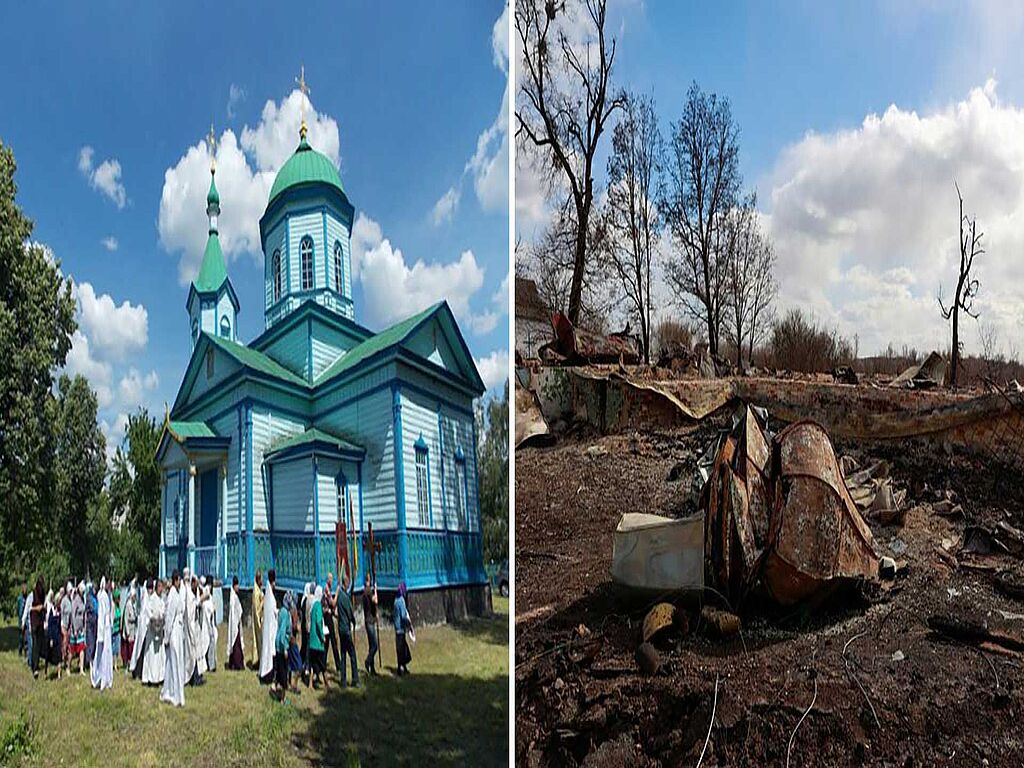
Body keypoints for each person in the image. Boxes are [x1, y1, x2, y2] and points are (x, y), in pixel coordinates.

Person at [160, 571, 185, 707]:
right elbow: (169, 618)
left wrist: (167, 636)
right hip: (174, 632)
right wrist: (167, 636)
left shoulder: (175, 595)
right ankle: (168, 691)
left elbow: (170, 617)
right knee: (171, 663)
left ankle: (177, 695)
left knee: (175, 663)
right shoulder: (173, 595)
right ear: (176, 580)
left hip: (176, 632)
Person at [90, 578, 113, 690]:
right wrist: (101, 634)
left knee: (107, 653)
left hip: (107, 627)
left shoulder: (107, 595)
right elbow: (102, 615)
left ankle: (107, 678)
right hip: (104, 628)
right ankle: (101, 679)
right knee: (102, 654)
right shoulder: (103, 596)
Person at [142, 580, 166, 685]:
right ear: (157, 587)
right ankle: (151, 678)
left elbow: (163, 611)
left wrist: (161, 618)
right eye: (160, 587)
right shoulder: (152, 599)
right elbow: (147, 611)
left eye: (162, 587)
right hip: (152, 631)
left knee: (159, 655)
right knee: (151, 654)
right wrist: (153, 619)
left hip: (159, 630)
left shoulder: (161, 600)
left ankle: (159, 677)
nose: (161, 589)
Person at [336, 575, 358, 686]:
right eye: (348, 583)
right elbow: (349, 612)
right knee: (352, 655)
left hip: (340, 629)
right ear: (345, 584)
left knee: (343, 655)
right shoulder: (345, 597)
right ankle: (355, 679)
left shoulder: (339, 596)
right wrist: (353, 621)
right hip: (346, 629)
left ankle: (343, 680)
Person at [258, 569, 278, 685]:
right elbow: (271, 611)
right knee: (269, 652)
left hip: (269, 627)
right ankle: (267, 674)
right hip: (270, 628)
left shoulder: (268, 594)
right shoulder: (269, 596)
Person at [129, 580, 152, 679]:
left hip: (145, 628)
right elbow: (146, 612)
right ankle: (137, 671)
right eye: (149, 588)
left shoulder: (147, 597)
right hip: (144, 627)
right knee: (140, 651)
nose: (150, 590)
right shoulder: (146, 598)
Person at [307, 585, 328, 690]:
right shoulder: (318, 606)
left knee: (312, 663)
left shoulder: (313, 605)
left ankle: (310, 684)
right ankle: (326, 684)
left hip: (312, 639)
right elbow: (319, 622)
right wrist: (322, 636)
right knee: (322, 663)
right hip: (318, 641)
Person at [272, 590, 292, 701]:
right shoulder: (285, 614)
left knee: (280, 669)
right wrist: (284, 648)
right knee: (284, 671)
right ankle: (283, 699)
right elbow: (283, 631)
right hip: (282, 645)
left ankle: (275, 687)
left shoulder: (282, 611)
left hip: (278, 643)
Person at [322, 573, 342, 673]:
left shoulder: (328, 589)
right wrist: (337, 593)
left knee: (329, 641)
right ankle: (338, 665)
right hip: (327, 617)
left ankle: (324, 663)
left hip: (329, 615)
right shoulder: (326, 589)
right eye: (330, 578)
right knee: (333, 640)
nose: (331, 580)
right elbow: (333, 603)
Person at [393, 581, 413, 676]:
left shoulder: (395, 600)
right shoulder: (401, 601)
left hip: (397, 627)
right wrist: (408, 623)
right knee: (401, 649)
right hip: (401, 628)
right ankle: (401, 667)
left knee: (402, 648)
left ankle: (403, 666)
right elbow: (403, 615)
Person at [226, 576, 245, 670]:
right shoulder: (233, 598)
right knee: (236, 644)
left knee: (236, 644)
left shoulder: (234, 596)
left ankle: (233, 663)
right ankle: (237, 664)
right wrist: (236, 622)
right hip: (235, 623)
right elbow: (234, 612)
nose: (238, 587)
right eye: (237, 585)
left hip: (237, 623)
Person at [362, 574, 379, 676]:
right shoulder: (368, 591)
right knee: (374, 646)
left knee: (371, 645)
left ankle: (372, 668)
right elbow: (375, 601)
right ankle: (368, 661)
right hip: (370, 621)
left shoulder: (365, 591)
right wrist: (376, 590)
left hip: (368, 619)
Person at [29, 576, 46, 677]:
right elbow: (29, 608)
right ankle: (34, 667)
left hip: (40, 622)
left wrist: (43, 608)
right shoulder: (32, 594)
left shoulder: (43, 593)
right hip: (34, 622)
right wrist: (37, 608)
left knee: (39, 645)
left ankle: (37, 664)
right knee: (35, 645)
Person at [44, 588, 63, 679]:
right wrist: (51, 638)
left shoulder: (60, 611)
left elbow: (59, 624)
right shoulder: (51, 610)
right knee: (49, 655)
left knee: (59, 655)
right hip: (52, 635)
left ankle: (59, 675)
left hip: (58, 635)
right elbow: (50, 625)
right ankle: (46, 672)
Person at [70, 582, 86, 675]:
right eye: (82, 592)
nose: (83, 593)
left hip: (81, 629)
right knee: (73, 650)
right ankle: (68, 666)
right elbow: (73, 615)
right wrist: (74, 628)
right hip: (75, 629)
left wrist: (83, 627)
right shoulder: (75, 600)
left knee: (81, 648)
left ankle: (81, 669)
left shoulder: (82, 600)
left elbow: (83, 614)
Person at [121, 580, 137, 670]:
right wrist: (126, 631)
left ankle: (131, 663)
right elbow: (126, 619)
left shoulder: (133, 605)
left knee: (132, 647)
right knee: (128, 648)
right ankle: (127, 664)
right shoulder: (128, 605)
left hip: (133, 629)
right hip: (129, 630)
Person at [251, 568, 264, 670]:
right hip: (258, 620)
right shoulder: (256, 592)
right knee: (258, 640)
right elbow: (256, 608)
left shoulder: (259, 589)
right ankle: (257, 660)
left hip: (261, 618)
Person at [203, 585, 217, 673]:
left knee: (211, 644)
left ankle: (211, 664)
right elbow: (210, 611)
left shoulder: (209, 600)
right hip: (207, 626)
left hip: (210, 625)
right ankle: (209, 664)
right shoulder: (205, 602)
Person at [84, 582, 98, 671]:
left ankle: (92, 659)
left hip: (95, 621)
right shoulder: (89, 598)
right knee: (90, 642)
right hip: (90, 622)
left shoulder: (95, 597)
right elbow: (90, 609)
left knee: (94, 642)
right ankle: (88, 662)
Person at [60, 583, 72, 675]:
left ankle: (68, 665)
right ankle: (62, 661)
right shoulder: (63, 601)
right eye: (70, 591)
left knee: (69, 647)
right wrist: (62, 626)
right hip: (64, 625)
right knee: (64, 646)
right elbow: (61, 613)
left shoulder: (70, 600)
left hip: (69, 626)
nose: (71, 592)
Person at [111, 589, 122, 671]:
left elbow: (120, 616)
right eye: (118, 597)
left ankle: (115, 665)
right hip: (112, 630)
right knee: (112, 648)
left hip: (118, 630)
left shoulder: (119, 606)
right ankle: (111, 664)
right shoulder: (113, 607)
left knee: (116, 649)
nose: (119, 599)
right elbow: (112, 618)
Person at [16, 585, 26, 657]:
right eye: (24, 589)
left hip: (26, 619)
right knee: (21, 636)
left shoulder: (27, 598)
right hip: (20, 619)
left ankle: (26, 651)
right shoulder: (19, 599)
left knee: (26, 636)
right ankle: (20, 649)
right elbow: (18, 609)